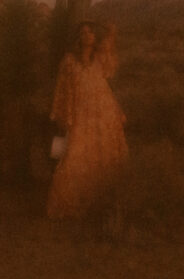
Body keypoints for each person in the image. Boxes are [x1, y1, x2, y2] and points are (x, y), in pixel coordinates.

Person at [47, 21, 128, 219]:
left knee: (104, 155)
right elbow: (62, 89)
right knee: (75, 157)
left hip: (103, 114)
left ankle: (104, 204)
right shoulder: (69, 61)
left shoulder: (100, 59)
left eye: (90, 32)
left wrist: (111, 32)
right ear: (78, 38)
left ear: (94, 37)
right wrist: (63, 116)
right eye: (82, 32)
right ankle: (73, 205)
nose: (87, 35)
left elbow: (108, 72)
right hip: (81, 116)